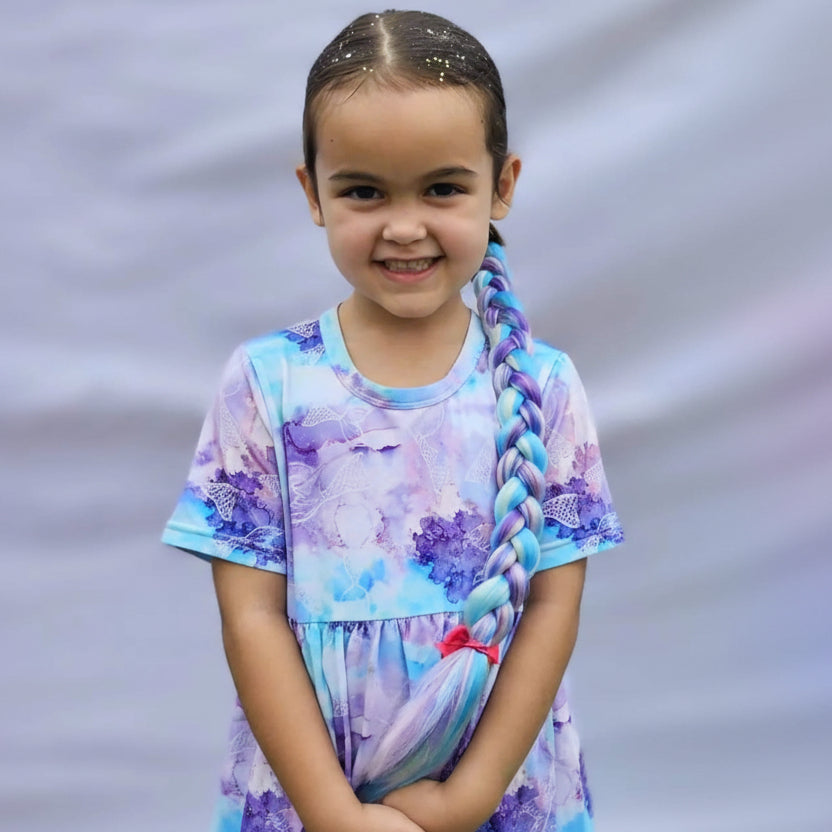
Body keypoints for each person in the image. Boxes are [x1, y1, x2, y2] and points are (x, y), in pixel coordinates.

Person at [162, 10, 624, 832]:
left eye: (443, 188)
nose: (403, 225)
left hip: (500, 788)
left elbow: (552, 607)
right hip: (316, 785)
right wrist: (335, 816)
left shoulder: (545, 386)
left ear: (502, 186)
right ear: (312, 192)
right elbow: (251, 616)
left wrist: (465, 800)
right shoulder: (267, 382)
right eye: (363, 190)